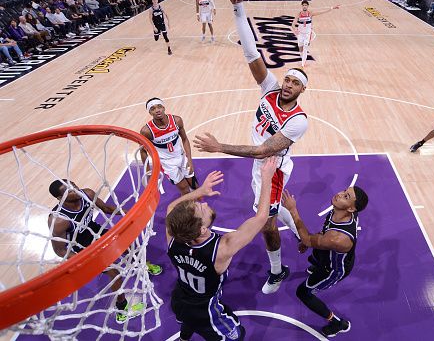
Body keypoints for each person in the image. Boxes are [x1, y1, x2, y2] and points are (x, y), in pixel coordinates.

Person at [193, 0, 309, 294]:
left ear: (302, 90)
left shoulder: (299, 120)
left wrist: (220, 147)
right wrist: (237, 5)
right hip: (261, 167)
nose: (288, 84)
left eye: (295, 83)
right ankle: (298, 227)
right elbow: (250, 51)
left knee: (266, 224)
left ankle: (277, 270)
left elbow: (262, 151)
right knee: (268, 208)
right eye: (287, 79)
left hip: (273, 170)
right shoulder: (269, 88)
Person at [166, 157, 277, 341]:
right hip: (206, 313)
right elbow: (261, 218)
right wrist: (267, 179)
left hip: (179, 300)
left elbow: (171, 207)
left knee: (187, 321)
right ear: (202, 229)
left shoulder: (173, 237)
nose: (202, 202)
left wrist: (199, 191)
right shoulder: (221, 248)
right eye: (199, 207)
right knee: (237, 336)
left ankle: (184, 338)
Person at [48, 180, 162, 324]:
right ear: (60, 198)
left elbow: (107, 209)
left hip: (95, 232)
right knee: (114, 273)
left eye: (74, 185)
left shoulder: (87, 194)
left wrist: (132, 212)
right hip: (82, 247)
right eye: (69, 190)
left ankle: (143, 264)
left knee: (129, 243)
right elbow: (60, 250)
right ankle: (122, 310)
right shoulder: (58, 220)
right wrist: (84, 260)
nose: (75, 189)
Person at [282, 186, 368, 337]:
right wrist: (308, 241)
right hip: (329, 252)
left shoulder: (338, 238)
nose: (339, 194)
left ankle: (337, 323)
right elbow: (318, 237)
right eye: (344, 191)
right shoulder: (339, 211)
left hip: (332, 269)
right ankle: (316, 264)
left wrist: (292, 210)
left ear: (352, 208)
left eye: (346, 196)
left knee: (303, 292)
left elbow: (309, 240)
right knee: (315, 252)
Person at [140, 98, 198, 195]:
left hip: (181, 156)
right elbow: (143, 151)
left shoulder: (177, 120)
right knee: (185, 189)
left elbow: (184, 139)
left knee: (194, 184)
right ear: (150, 112)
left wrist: (190, 160)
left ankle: (199, 200)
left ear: (164, 107)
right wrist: (148, 172)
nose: (157, 110)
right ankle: (189, 208)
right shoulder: (147, 131)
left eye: (159, 106)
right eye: (153, 108)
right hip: (166, 163)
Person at [292, 0, 339, 67]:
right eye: (303, 5)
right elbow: (293, 24)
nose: (304, 6)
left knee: (305, 47)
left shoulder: (310, 13)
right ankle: (302, 58)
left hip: (307, 34)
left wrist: (331, 8)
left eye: (306, 5)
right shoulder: (299, 14)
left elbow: (322, 12)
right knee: (300, 48)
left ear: (307, 6)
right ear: (302, 6)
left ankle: (303, 64)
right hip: (301, 34)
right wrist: (295, 29)